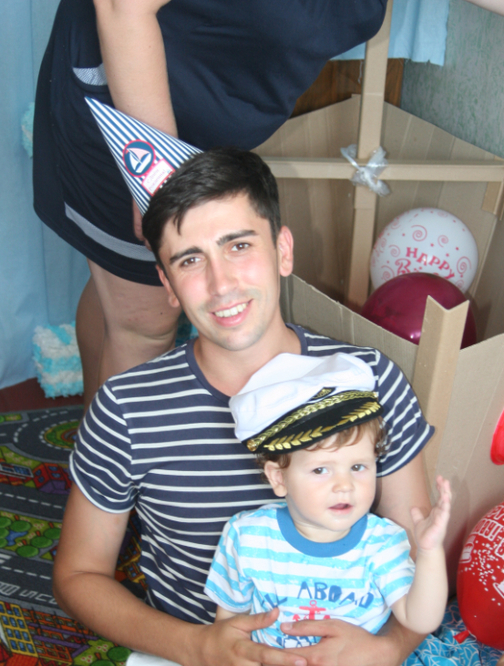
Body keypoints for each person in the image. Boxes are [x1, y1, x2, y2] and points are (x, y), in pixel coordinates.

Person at [53, 148, 504, 666]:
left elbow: (411, 547)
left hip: (354, 662)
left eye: (239, 246)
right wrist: (202, 648)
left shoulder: (368, 379)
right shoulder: (128, 406)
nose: (221, 284)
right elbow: (78, 575)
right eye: (190, 260)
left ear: (282, 251)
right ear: (168, 284)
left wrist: (388, 649)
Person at [33, 0, 388, 407]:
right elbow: (123, 6)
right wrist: (156, 180)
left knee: (122, 294)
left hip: (201, 112)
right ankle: (110, 448)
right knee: (143, 322)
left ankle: (92, 435)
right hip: (129, 108)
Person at [177, 351, 452, 666]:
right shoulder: (247, 536)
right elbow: (229, 620)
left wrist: (429, 553)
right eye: (322, 470)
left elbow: (421, 618)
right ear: (279, 478)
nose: (344, 485)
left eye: (358, 466)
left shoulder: (381, 542)